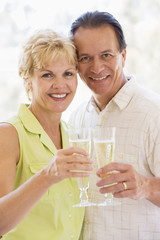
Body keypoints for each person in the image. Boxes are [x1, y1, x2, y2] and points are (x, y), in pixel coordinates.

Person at [69, 11, 160, 240]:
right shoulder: (76, 118)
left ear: (123, 55)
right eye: (85, 58)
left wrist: (146, 186)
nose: (96, 67)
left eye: (106, 55)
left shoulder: (154, 113)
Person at [0, 29, 93, 240]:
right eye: (47, 75)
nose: (60, 85)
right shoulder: (8, 134)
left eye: (68, 73)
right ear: (28, 79)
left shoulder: (73, 136)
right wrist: (46, 176)